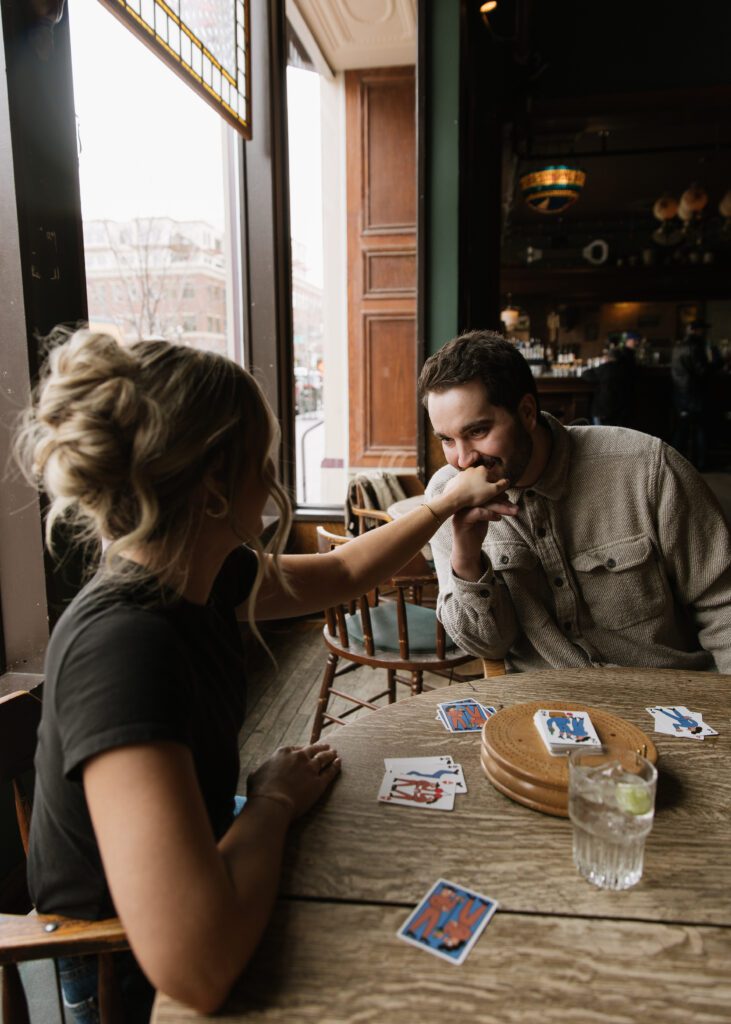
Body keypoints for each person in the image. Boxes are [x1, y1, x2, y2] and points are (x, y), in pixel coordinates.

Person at [14, 328, 510, 1021]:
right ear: (215, 484)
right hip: (122, 967)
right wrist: (272, 801)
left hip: (205, 868)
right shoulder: (123, 648)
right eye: (262, 461)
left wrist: (441, 506)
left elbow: (339, 572)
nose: (273, 482)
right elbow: (196, 967)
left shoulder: (202, 572)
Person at [418, 330, 731, 675]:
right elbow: (488, 645)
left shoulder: (648, 468)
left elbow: (722, 604)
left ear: (526, 412)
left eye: (477, 432)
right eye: (447, 439)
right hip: (544, 708)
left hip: (664, 701)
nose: (463, 460)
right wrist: (466, 556)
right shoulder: (445, 497)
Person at [671, 319, 712, 469]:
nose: (704, 333)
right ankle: (701, 464)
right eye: (702, 330)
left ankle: (674, 464)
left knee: (681, 429)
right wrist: (719, 362)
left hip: (680, 392)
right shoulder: (696, 346)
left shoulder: (678, 346)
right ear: (696, 330)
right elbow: (702, 371)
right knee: (700, 429)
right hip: (694, 393)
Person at [581, 345, 634, 426]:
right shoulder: (627, 368)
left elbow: (585, 374)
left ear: (607, 357)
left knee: (600, 433)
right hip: (622, 409)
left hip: (603, 409)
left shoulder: (605, 368)